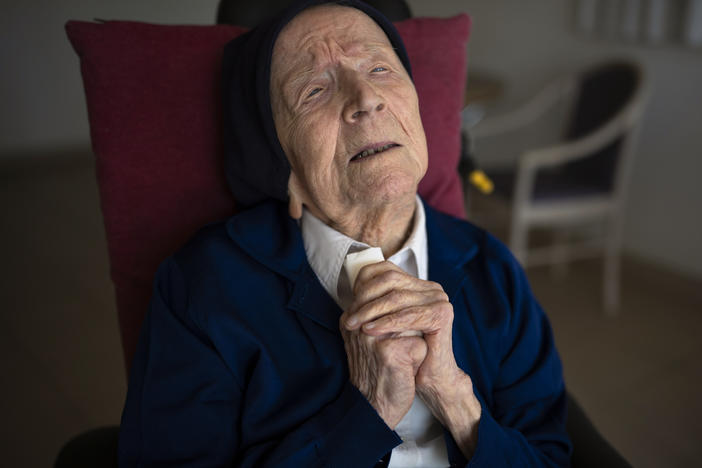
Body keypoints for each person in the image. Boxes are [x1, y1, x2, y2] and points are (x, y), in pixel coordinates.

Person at [118, 1, 572, 466]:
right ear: (278, 161)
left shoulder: (490, 267)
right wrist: (367, 412)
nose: (365, 99)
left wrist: (458, 402)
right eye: (314, 90)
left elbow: (550, 456)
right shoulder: (204, 288)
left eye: (380, 68)